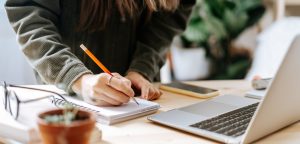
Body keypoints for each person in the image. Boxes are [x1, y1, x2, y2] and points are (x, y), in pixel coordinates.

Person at [5, 0, 195, 106]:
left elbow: (166, 24)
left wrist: (142, 68)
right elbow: (29, 18)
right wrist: (78, 78)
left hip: (137, 102)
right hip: (67, 98)